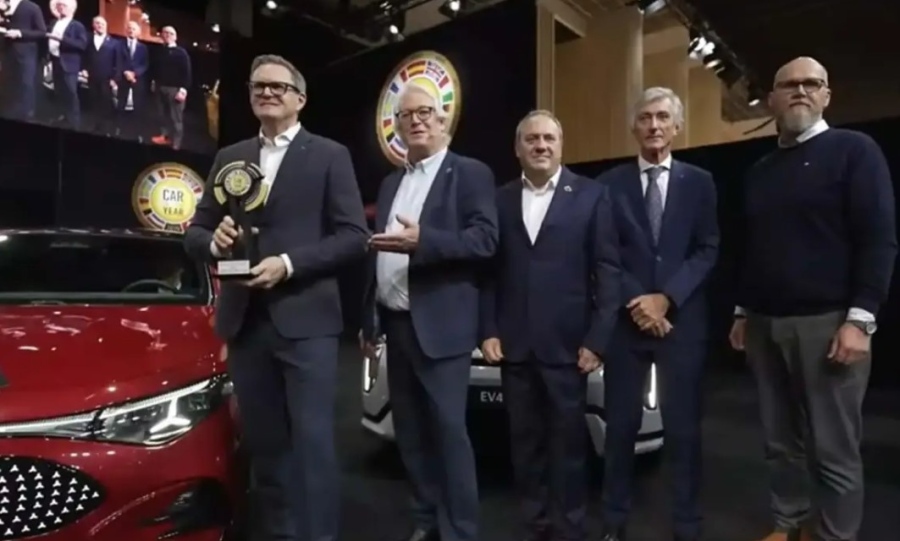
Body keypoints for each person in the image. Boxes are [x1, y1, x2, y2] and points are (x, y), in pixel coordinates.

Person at [184, 54, 368, 541]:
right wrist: (213, 242)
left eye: (278, 86)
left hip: (307, 323)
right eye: (258, 86)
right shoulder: (230, 157)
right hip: (245, 324)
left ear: (300, 98)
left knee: (312, 445)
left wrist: (288, 264)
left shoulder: (329, 155)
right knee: (265, 448)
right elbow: (196, 231)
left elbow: (354, 237)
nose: (267, 92)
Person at [729, 57, 896, 541]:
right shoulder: (760, 170)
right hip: (764, 323)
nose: (800, 91)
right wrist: (741, 310)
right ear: (772, 99)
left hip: (828, 323)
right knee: (780, 441)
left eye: (812, 83)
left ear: (826, 95)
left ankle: (834, 536)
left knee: (833, 447)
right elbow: (753, 247)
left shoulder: (854, 150)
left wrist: (860, 320)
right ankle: (789, 524)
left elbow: (878, 238)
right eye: (789, 84)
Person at [360, 82, 498, 541]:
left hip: (442, 328)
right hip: (394, 325)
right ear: (397, 126)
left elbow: (486, 240)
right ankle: (425, 520)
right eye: (406, 115)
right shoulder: (390, 183)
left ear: (443, 121)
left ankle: (460, 530)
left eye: (425, 113)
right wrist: (369, 318)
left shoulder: (470, 173)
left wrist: (426, 241)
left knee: (448, 434)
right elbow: (379, 253)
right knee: (410, 434)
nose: (416, 120)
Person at [479, 110, 620, 541]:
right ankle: (534, 526)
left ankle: (569, 528)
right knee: (525, 447)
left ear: (561, 146)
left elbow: (608, 271)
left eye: (549, 139)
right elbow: (488, 272)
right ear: (517, 148)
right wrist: (487, 329)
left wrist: (598, 339)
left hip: (569, 347)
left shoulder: (592, 195)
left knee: (569, 448)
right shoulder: (499, 199)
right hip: (515, 346)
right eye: (532, 139)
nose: (541, 145)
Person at [597, 87, 719, 541]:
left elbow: (708, 248)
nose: (654, 125)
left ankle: (687, 523)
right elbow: (606, 255)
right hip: (625, 325)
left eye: (663, 117)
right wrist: (640, 302)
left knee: (684, 431)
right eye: (646, 117)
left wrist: (666, 298)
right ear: (634, 126)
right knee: (619, 429)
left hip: (681, 323)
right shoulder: (609, 184)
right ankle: (614, 521)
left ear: (677, 126)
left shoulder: (700, 182)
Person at [0, 0, 46, 121]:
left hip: (25, 55)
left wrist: (20, 33)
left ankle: (26, 117)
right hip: (7, 53)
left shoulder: (32, 7)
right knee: (8, 85)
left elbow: (42, 32)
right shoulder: (3, 5)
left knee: (25, 86)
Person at [46, 0, 87, 129]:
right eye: (59, 5)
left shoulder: (77, 25)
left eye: (63, 5)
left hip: (69, 64)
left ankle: (74, 123)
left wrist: (62, 39)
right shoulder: (53, 23)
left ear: (71, 8)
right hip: (55, 61)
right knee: (59, 92)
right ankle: (62, 117)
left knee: (70, 94)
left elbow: (82, 45)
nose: (60, 8)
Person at [151, 25, 191, 150]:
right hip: (160, 88)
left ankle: (176, 144)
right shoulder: (160, 51)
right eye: (165, 33)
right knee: (162, 115)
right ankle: (164, 136)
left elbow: (187, 73)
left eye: (171, 33)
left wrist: (183, 90)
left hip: (175, 90)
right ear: (162, 35)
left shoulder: (181, 53)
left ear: (175, 37)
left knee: (176, 118)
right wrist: (154, 82)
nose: (167, 35)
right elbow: (155, 68)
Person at [113, 21, 150, 142]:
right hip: (122, 78)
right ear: (126, 30)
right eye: (129, 28)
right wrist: (125, 72)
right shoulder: (119, 45)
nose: (131, 30)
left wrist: (134, 73)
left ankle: (137, 132)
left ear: (138, 32)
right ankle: (118, 129)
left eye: (134, 29)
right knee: (121, 105)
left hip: (137, 80)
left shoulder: (143, 48)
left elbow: (145, 64)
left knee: (138, 107)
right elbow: (117, 61)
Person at [83, 16, 118, 135]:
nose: (100, 26)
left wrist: (115, 78)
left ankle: (107, 129)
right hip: (92, 76)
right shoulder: (88, 40)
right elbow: (85, 55)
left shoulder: (114, 42)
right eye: (97, 23)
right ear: (93, 25)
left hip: (107, 78)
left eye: (102, 24)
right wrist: (84, 68)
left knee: (106, 103)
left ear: (106, 26)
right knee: (94, 101)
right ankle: (95, 126)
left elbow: (117, 62)